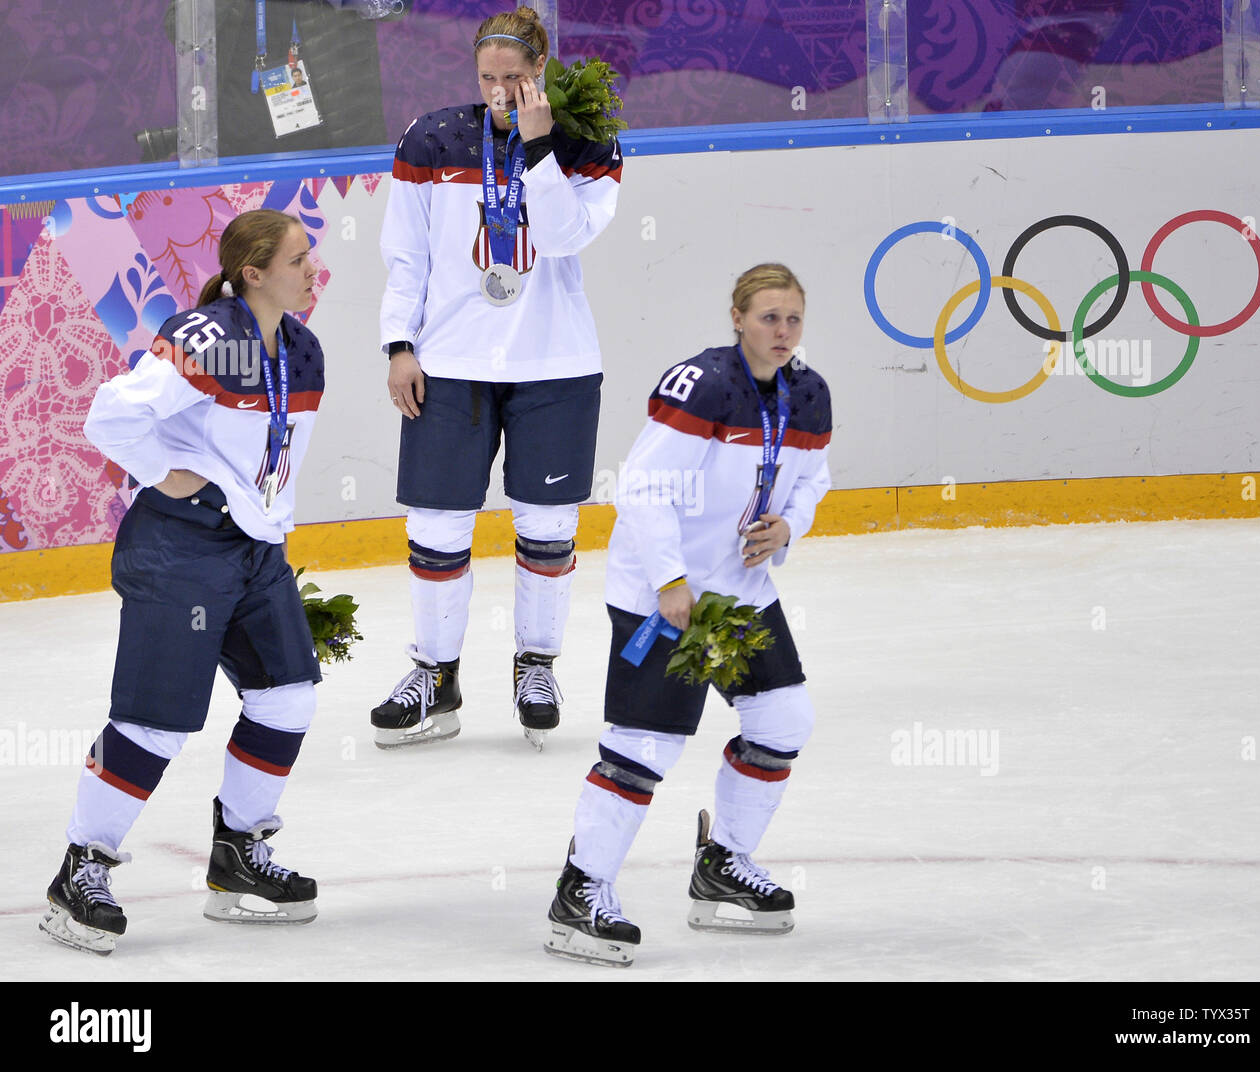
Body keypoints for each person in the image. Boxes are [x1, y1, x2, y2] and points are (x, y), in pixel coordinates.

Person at [39, 209, 326, 955]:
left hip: (252, 554)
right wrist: (169, 476)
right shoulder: (207, 338)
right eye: (298, 258)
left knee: (288, 693)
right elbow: (112, 416)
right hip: (180, 549)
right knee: (156, 720)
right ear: (253, 272)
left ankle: (237, 855)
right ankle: (82, 869)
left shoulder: (303, 350)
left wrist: (266, 527)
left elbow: (272, 457)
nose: (312, 266)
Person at [544, 264, 833, 966]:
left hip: (740, 593)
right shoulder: (704, 386)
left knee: (783, 719)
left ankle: (722, 868)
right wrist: (671, 580)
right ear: (736, 318)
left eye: (793, 318)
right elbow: (641, 488)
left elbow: (814, 479)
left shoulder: (809, 395)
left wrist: (788, 526)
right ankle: (581, 891)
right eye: (768, 317)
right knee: (646, 746)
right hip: (664, 593)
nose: (783, 332)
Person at [373, 5, 622, 750]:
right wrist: (397, 344)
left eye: (514, 78)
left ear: (539, 71)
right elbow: (405, 253)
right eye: (488, 77)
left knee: (547, 525)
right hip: (449, 362)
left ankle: (536, 664)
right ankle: (435, 673)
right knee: (436, 523)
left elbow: (563, 234)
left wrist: (542, 148)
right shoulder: (431, 138)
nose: (500, 90)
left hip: (555, 361)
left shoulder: (586, 140)